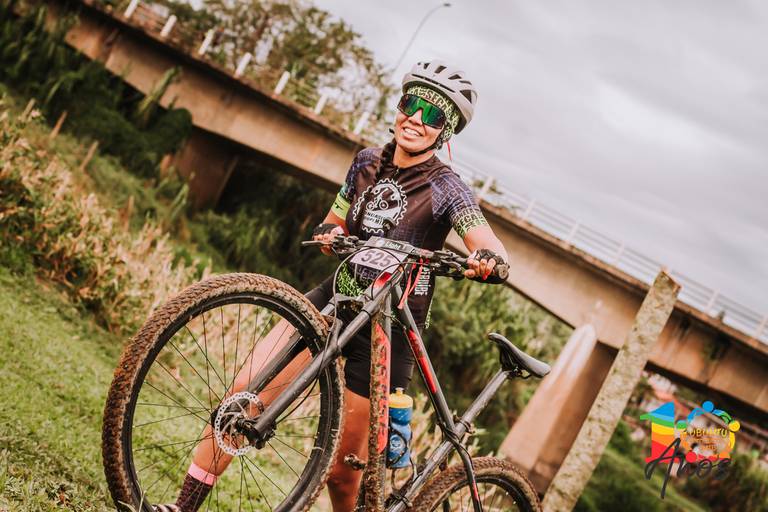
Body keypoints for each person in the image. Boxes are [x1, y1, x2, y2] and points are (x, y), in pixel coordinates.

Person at [155, 60, 509, 512]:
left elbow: (487, 242)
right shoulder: (365, 163)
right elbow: (333, 221)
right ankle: (182, 507)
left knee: (344, 473)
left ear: (446, 131)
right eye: (410, 104)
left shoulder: (447, 188)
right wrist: (330, 234)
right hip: (336, 298)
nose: (416, 119)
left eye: (433, 114)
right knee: (243, 396)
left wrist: (489, 260)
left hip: (388, 331)